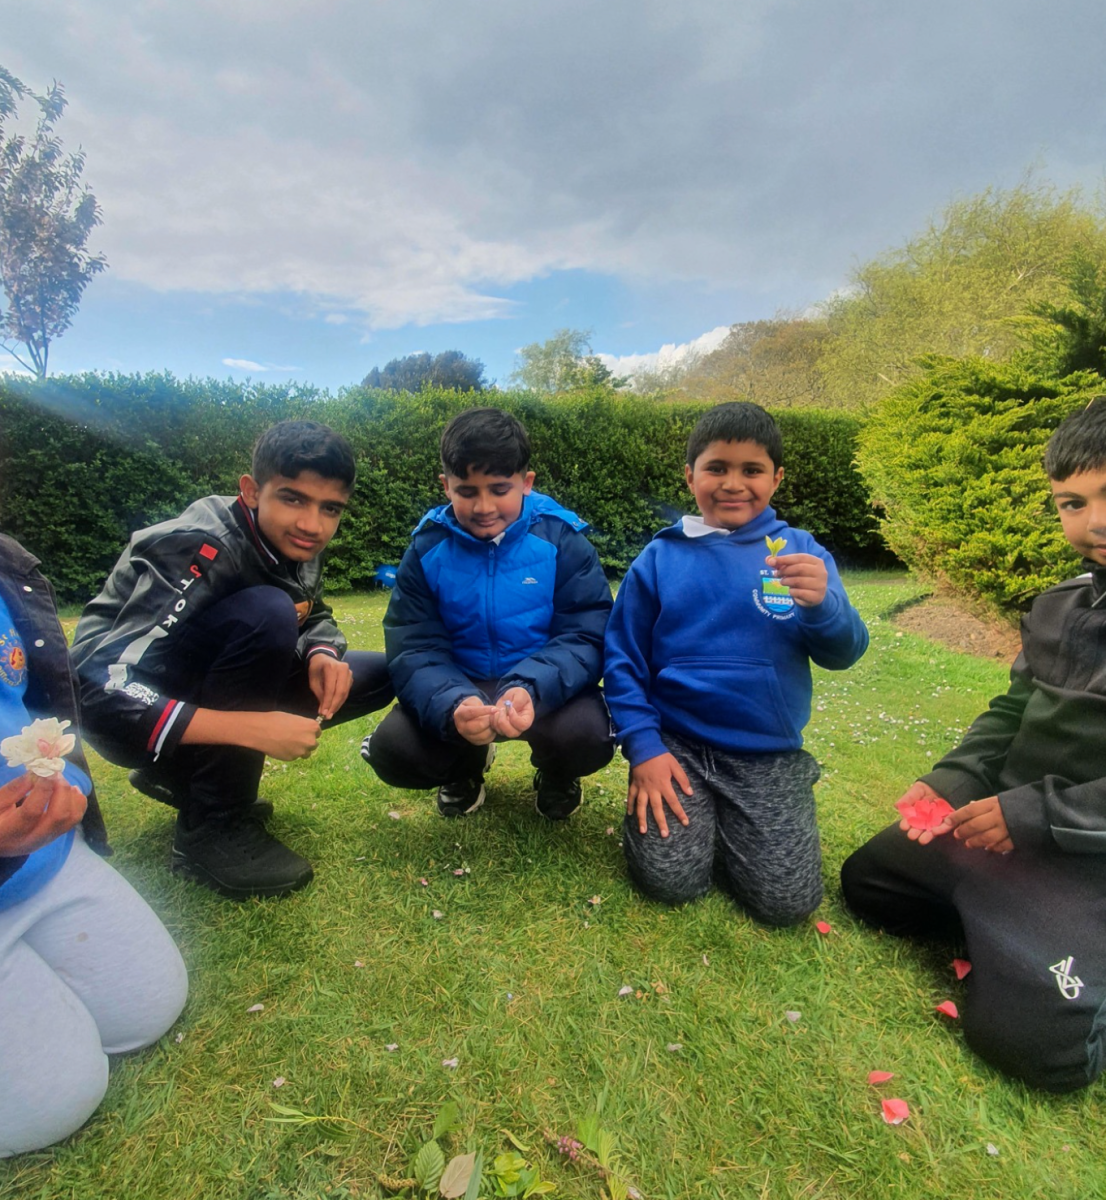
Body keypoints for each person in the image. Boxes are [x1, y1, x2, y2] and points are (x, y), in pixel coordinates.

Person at [841, 398, 1106, 1093]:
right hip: (995, 833)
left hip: (1084, 856)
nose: (1095, 522)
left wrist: (1033, 815)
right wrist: (952, 779)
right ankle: (1002, 927)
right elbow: (1011, 710)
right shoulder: (1058, 605)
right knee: (868, 883)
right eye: (1073, 503)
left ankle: (1043, 949)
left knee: (1040, 1056)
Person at [70, 421, 393, 899]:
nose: (312, 524)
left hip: (200, 684)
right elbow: (96, 685)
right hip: (126, 714)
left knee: (379, 673)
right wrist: (246, 728)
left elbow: (312, 611)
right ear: (251, 491)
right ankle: (211, 828)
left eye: (330, 509)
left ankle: (180, 777)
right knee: (266, 612)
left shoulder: (297, 543)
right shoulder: (199, 546)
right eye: (293, 498)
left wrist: (323, 651)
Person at [604, 402, 869, 922]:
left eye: (752, 470)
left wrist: (823, 607)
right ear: (690, 475)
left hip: (764, 754)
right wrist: (643, 749)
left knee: (786, 903)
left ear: (777, 479)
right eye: (716, 468)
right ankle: (704, 818)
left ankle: (756, 810)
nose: (733, 484)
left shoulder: (802, 554)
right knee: (671, 881)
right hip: (674, 747)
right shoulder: (659, 558)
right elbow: (622, 661)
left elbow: (845, 653)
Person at [0, 532, 187, 1156]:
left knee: (149, 1006)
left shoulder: (8, 565)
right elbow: (112, 670)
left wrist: (66, 781)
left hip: (42, 857)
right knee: (55, 1101)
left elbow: (32, 706)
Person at [362, 406, 614, 819]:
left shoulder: (563, 539)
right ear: (446, 486)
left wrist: (532, 686)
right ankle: (466, 768)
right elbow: (414, 647)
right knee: (396, 750)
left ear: (526, 483)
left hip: (544, 687)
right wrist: (452, 703)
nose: (483, 506)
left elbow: (587, 632)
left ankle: (556, 773)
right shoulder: (426, 548)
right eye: (466, 491)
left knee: (590, 735)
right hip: (463, 682)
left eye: (499, 489)